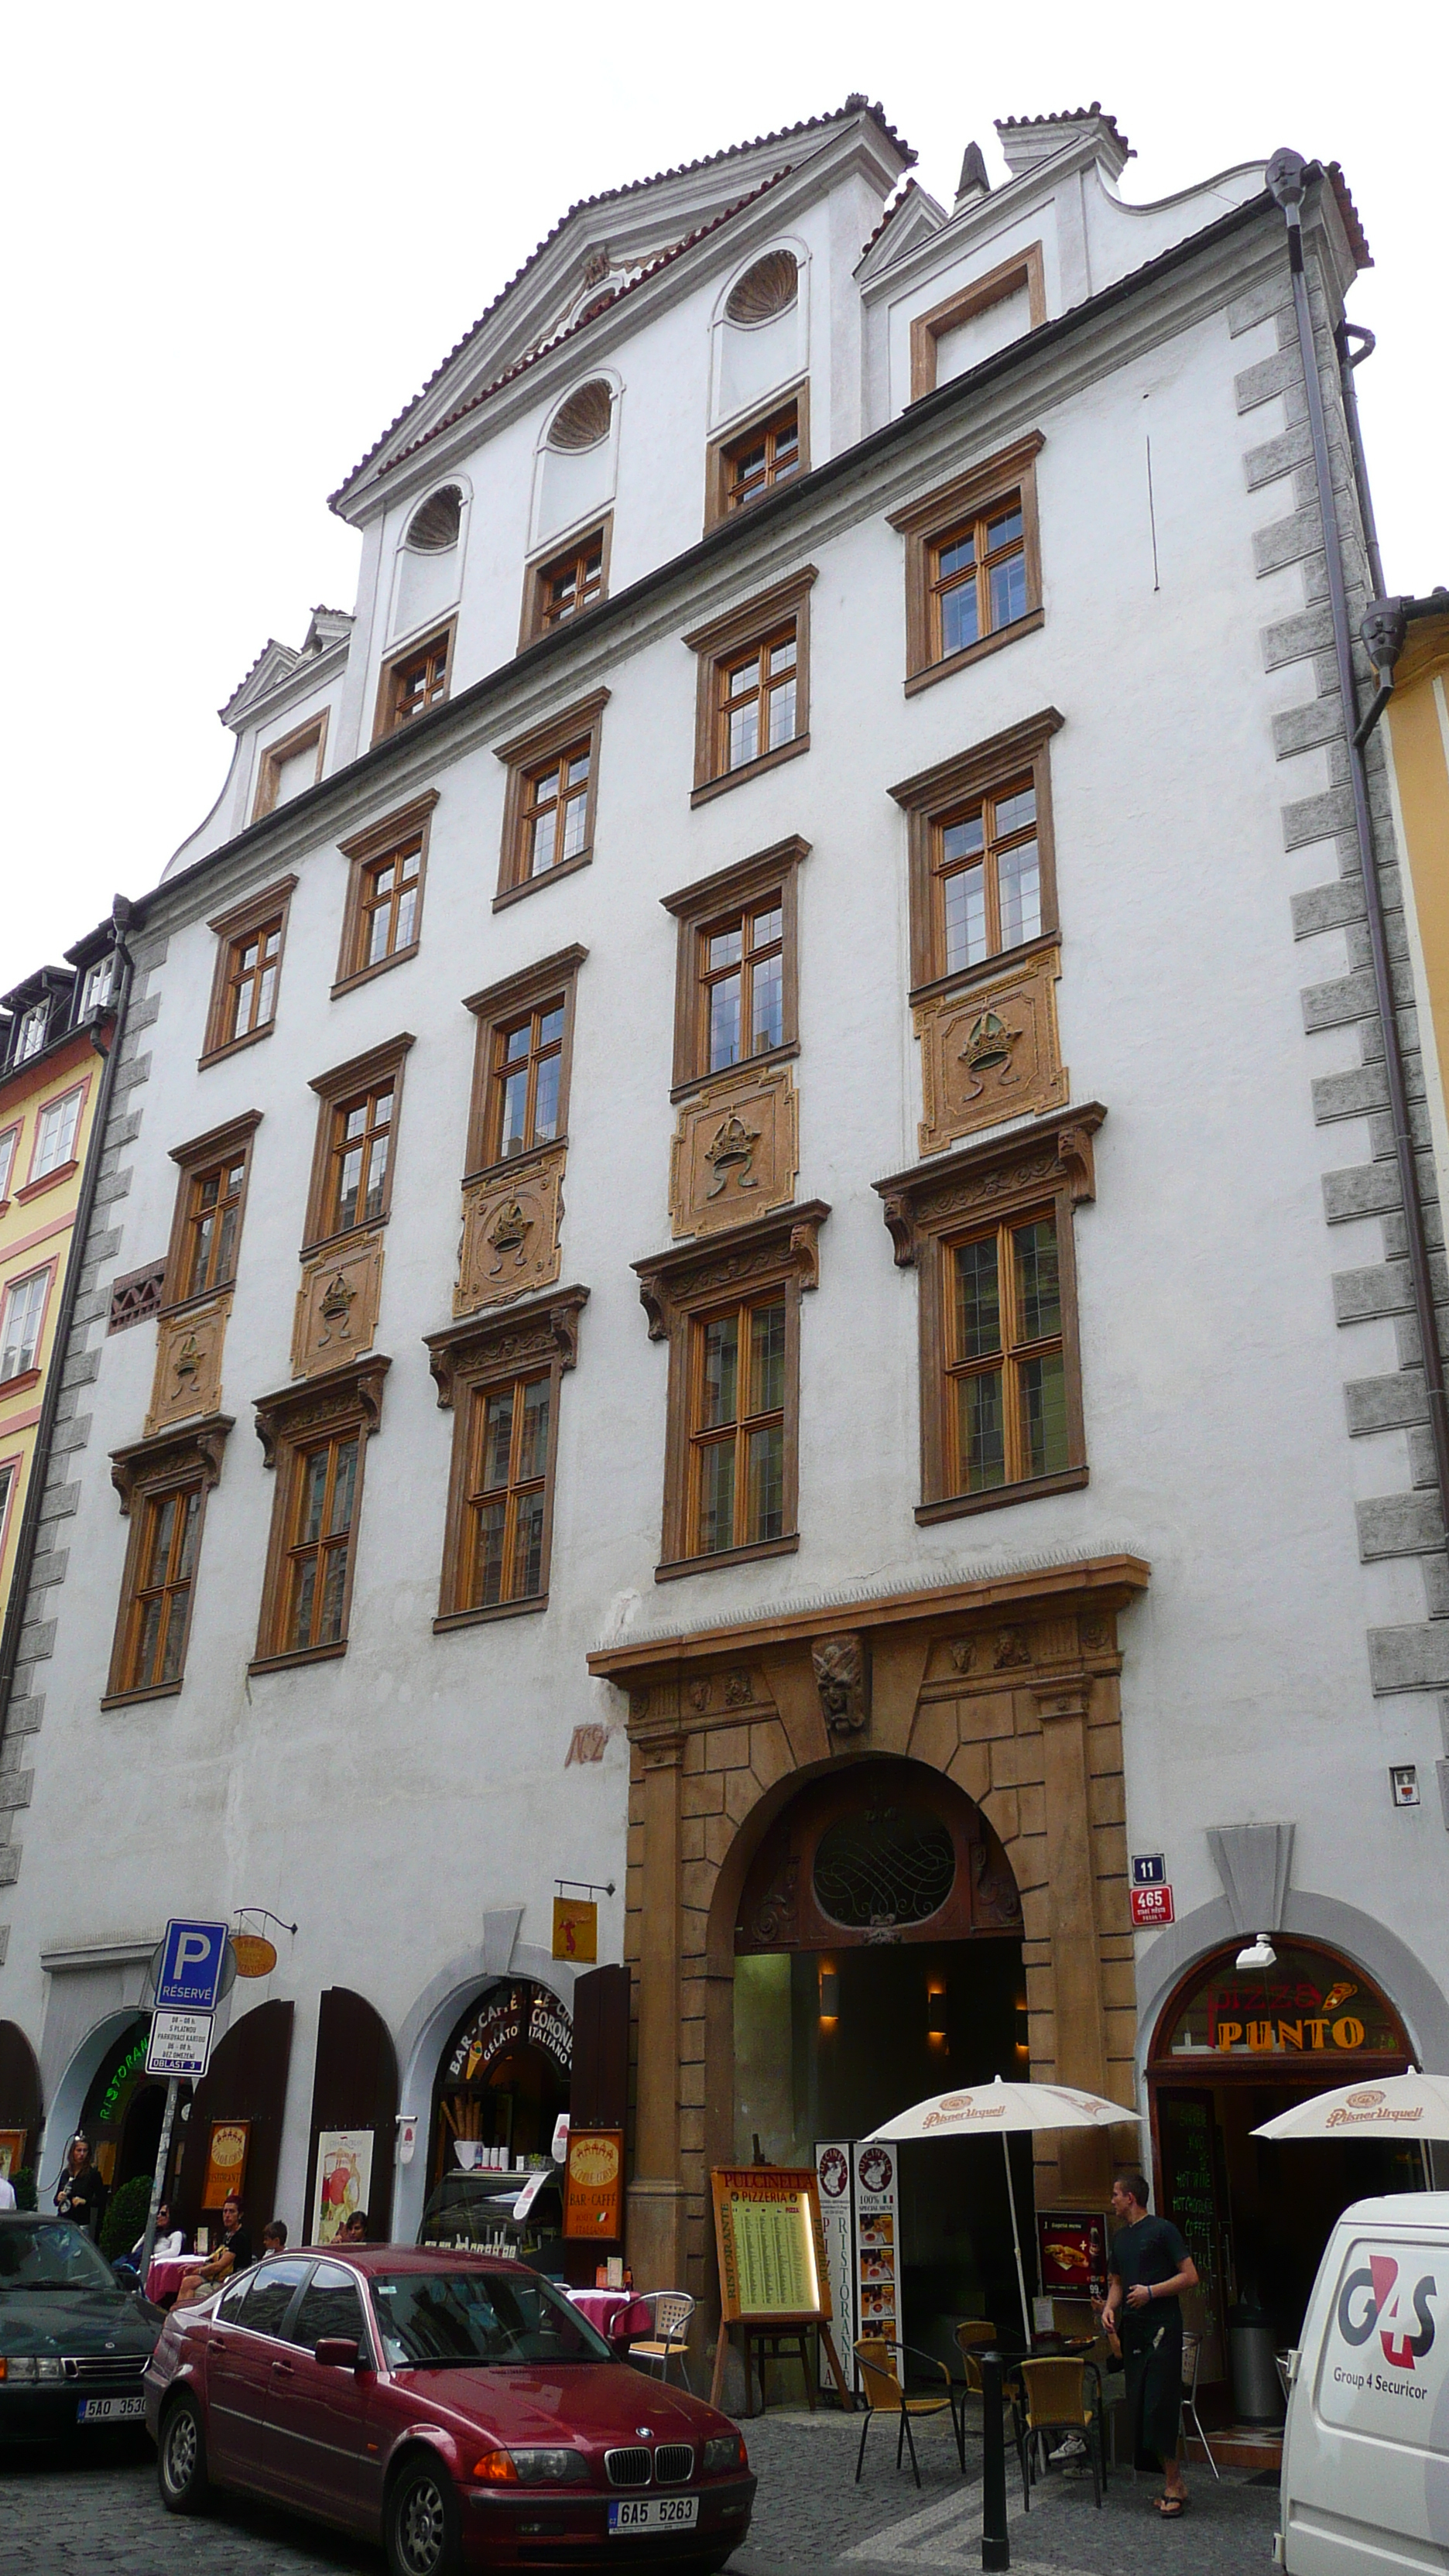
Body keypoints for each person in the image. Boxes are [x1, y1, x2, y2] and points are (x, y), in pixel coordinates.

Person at [1101, 2170, 1198, 2519]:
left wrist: (1152, 2291)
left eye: (1115, 2194)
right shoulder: (1120, 2239)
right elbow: (1117, 2281)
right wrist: (1111, 2308)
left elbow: (1190, 2276)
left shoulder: (1162, 2230)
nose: (1111, 2200)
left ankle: (1173, 2484)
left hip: (1163, 2329)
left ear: (1131, 2198)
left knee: (1159, 2404)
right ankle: (1174, 2481)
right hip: (1135, 2333)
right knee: (1141, 2405)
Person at [174, 2194, 253, 2307]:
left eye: (231, 2212)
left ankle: (185, 2316)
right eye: (225, 2211)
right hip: (218, 2277)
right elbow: (214, 2260)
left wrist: (199, 2271)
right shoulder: (227, 2234)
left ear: (240, 2215)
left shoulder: (241, 2237)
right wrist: (195, 2268)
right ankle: (179, 2317)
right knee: (188, 2282)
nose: (227, 2215)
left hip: (232, 2283)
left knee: (193, 2288)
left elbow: (219, 2266)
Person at [53, 2135, 108, 2239]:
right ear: (73, 2152)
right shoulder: (66, 2173)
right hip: (62, 2222)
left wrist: (85, 2201)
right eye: (79, 2150)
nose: (82, 2154)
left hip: (80, 2224)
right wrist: (58, 2198)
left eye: (85, 2151)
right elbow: (56, 2201)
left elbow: (101, 2199)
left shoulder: (93, 2174)